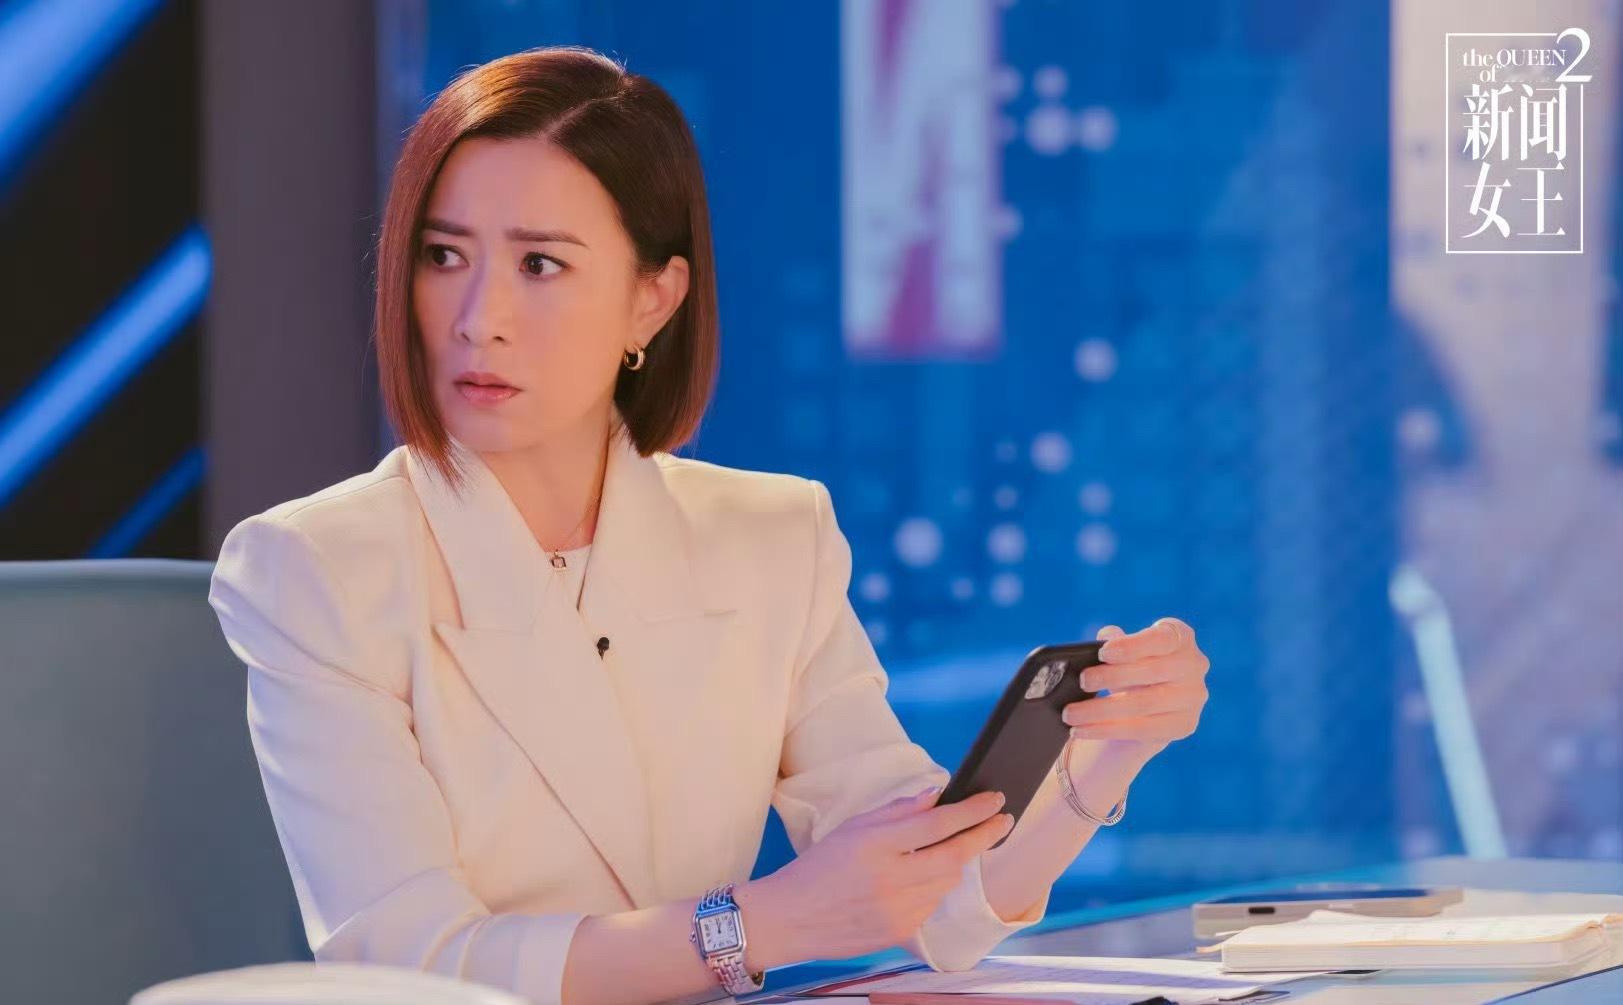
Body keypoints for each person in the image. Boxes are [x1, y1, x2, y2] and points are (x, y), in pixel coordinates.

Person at [207, 45, 1211, 1005]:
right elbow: (409, 967)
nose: (478, 317)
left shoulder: (772, 537)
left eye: (539, 265)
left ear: (653, 300)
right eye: (443, 255)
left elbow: (938, 899)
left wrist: (1098, 763)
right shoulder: (314, 568)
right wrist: (757, 926)